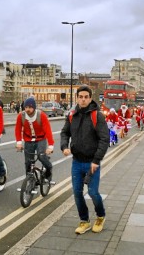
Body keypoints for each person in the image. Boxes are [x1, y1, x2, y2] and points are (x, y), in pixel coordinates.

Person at [60, 85, 109, 235]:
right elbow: (64, 132)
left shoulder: (97, 116)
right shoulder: (72, 114)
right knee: (77, 192)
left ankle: (100, 216)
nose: (83, 99)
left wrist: (96, 160)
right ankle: (84, 221)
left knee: (93, 192)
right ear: (77, 98)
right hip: (76, 162)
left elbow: (104, 139)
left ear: (90, 98)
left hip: (92, 162)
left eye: (85, 97)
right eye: (80, 97)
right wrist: (64, 146)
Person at [15, 97, 54, 180]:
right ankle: (30, 181)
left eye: (30, 107)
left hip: (41, 139)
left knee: (41, 156)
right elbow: (18, 129)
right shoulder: (21, 116)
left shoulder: (41, 115)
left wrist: (50, 146)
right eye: (26, 107)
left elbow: (48, 130)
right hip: (28, 140)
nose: (27, 109)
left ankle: (49, 168)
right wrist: (19, 142)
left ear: (34, 107)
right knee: (28, 163)